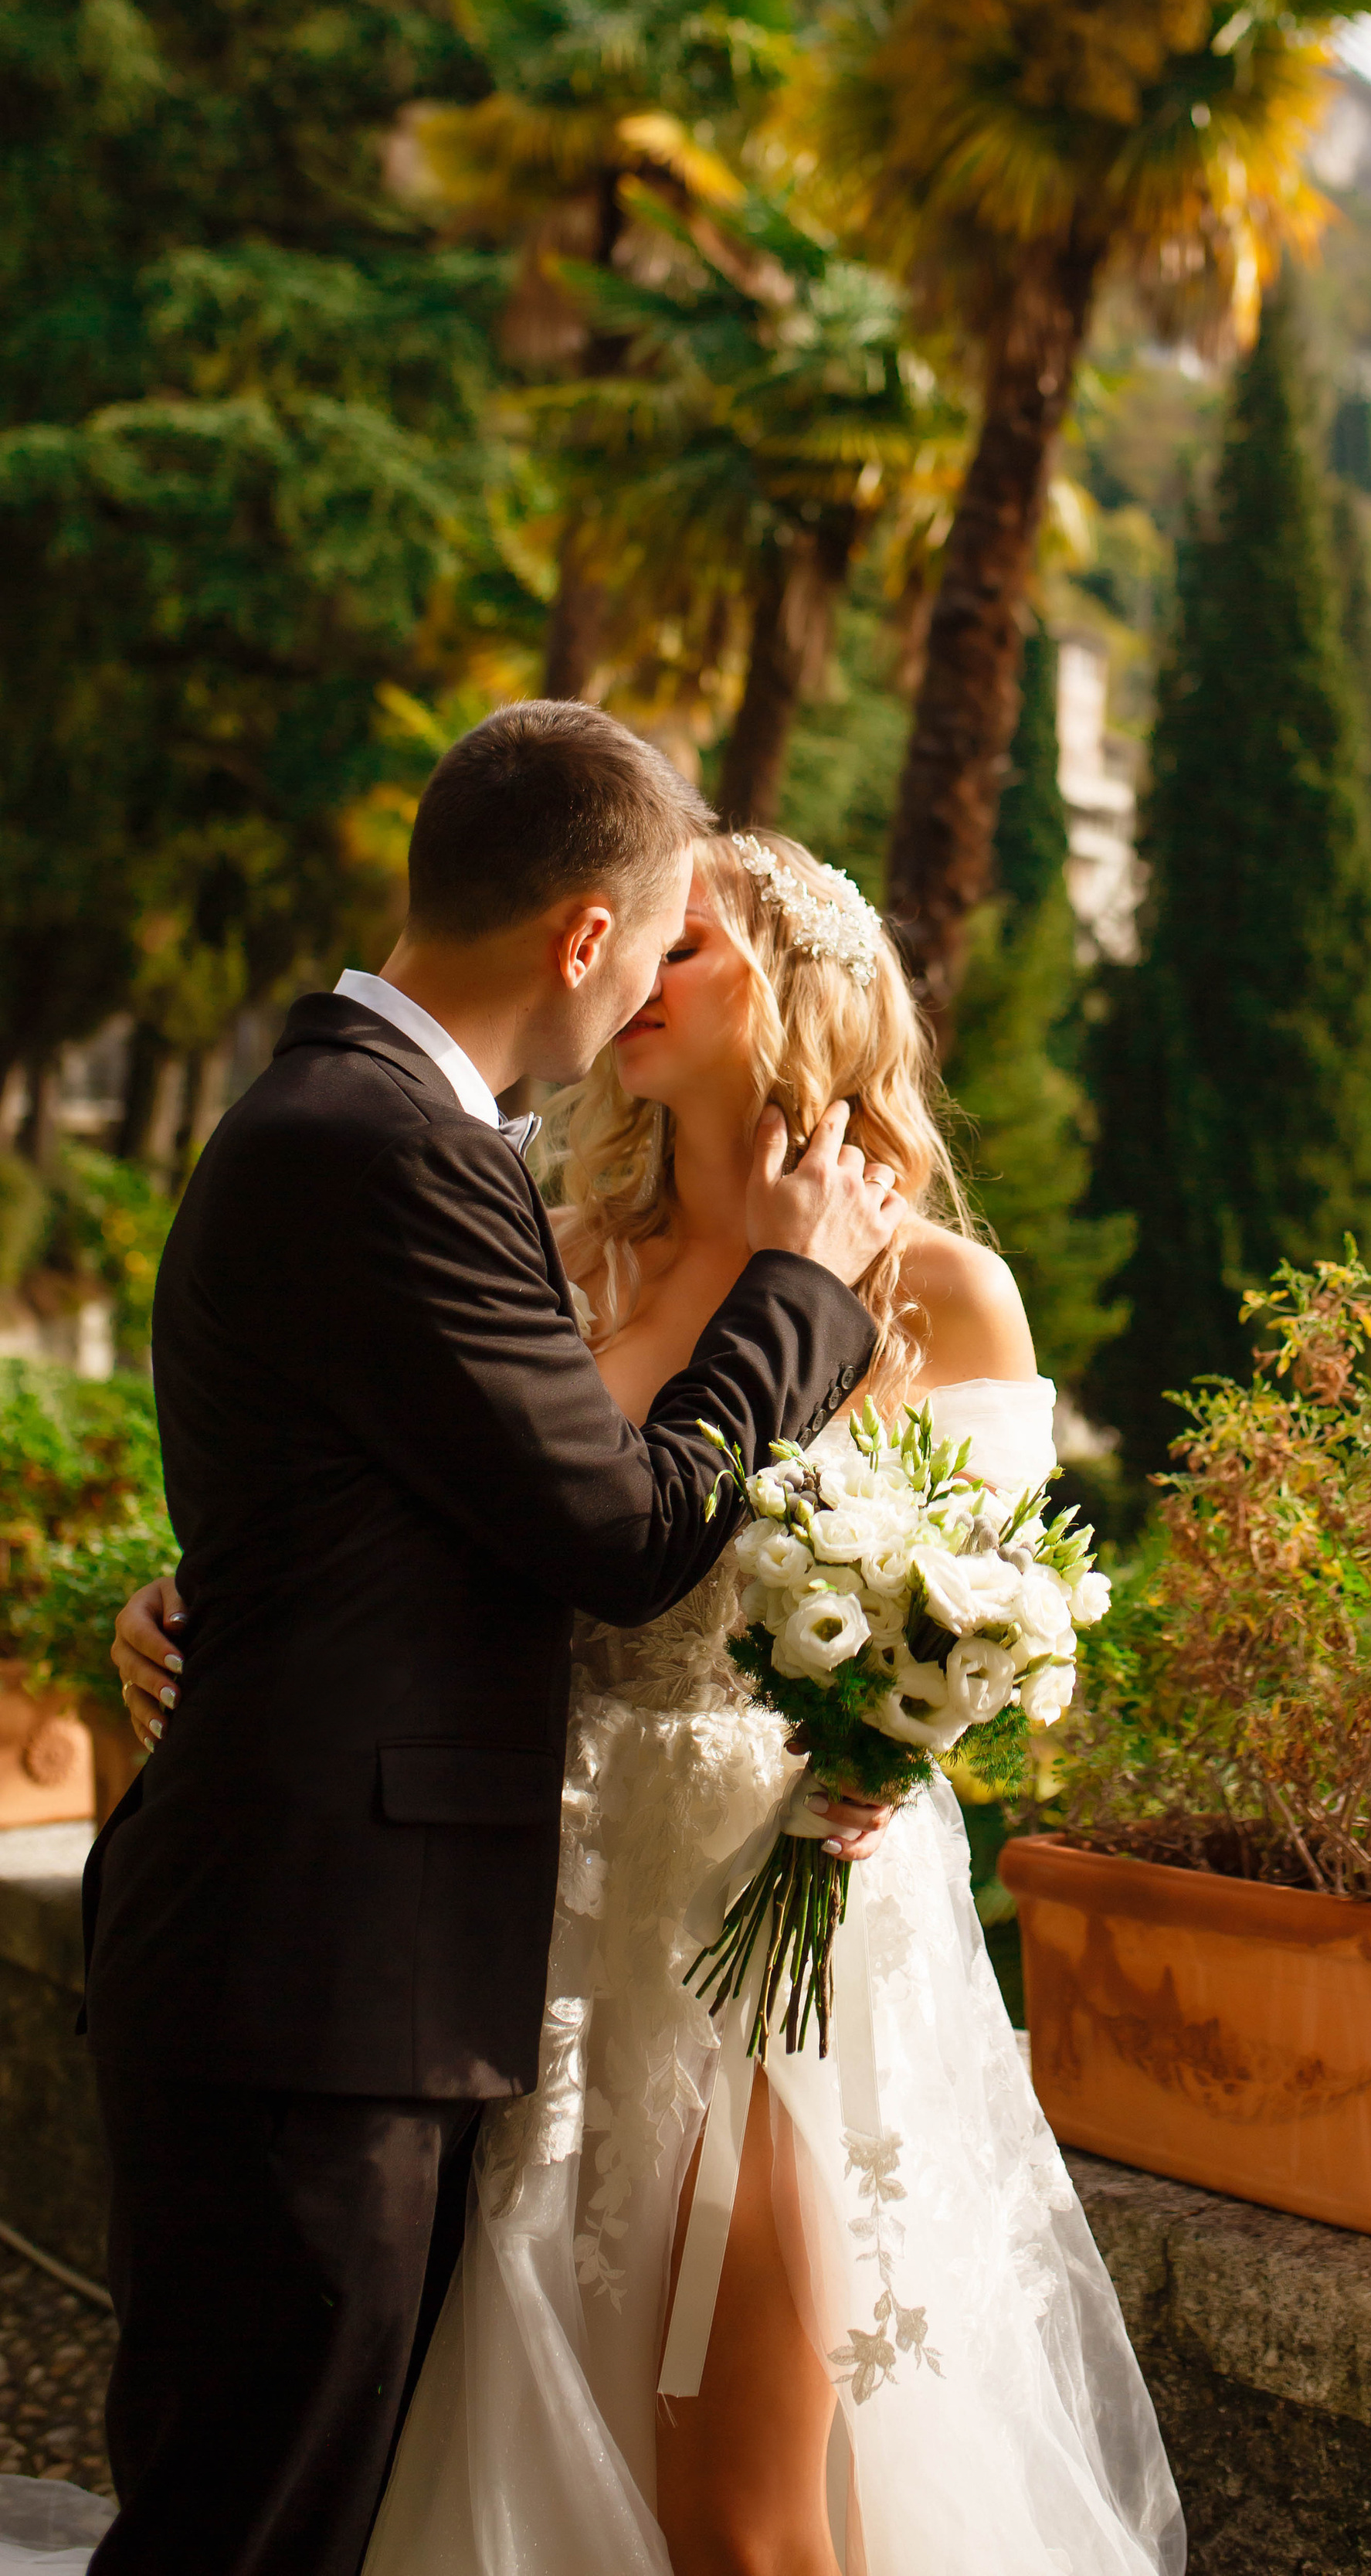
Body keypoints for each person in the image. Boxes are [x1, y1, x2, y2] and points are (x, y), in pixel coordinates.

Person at [120, 825, 1185, 2576]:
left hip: (775, 1931)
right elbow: (430, 1517)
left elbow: (998, 1618)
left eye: (681, 951)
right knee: (483, 2418)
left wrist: (892, 1741)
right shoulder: (557, 1241)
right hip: (510, 1918)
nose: (623, 973)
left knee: (744, 2490)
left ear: (795, 999)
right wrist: (205, 1600)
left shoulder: (933, 1291)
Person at [73, 710, 902, 2576]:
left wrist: (204, 1601)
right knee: (248, 2529)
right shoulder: (389, 1150)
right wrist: (797, 1300)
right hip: (308, 1981)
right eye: (659, 941)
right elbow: (617, 1537)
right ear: (585, 941)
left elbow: (365, 1507)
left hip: (346, 1969)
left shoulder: (359, 1126)